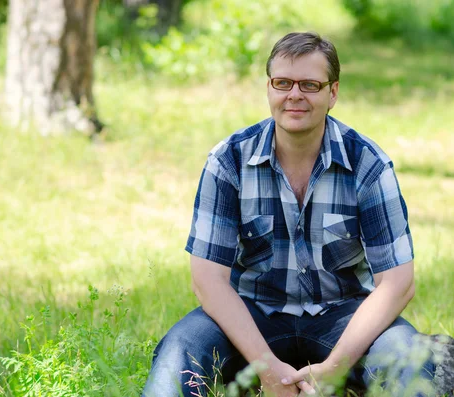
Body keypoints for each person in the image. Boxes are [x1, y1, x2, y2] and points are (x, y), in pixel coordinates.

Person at [142, 32, 435, 397]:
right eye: (283, 83)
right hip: (251, 315)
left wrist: (334, 369)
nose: (294, 94)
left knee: (410, 359)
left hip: (344, 317)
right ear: (269, 88)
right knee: (179, 349)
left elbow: (397, 283)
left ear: (333, 93)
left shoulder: (368, 165)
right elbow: (208, 280)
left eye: (310, 85)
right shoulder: (228, 162)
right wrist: (267, 370)